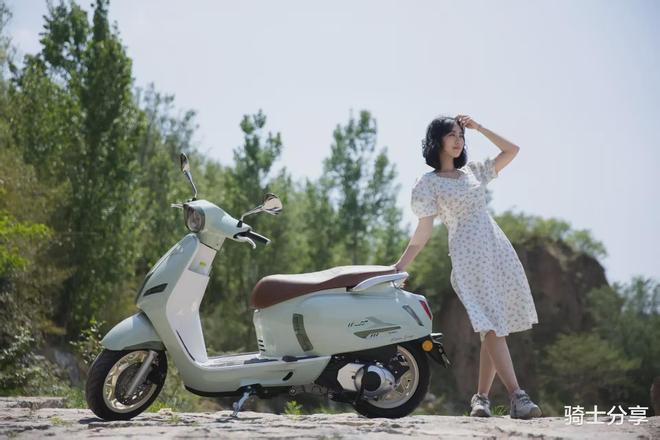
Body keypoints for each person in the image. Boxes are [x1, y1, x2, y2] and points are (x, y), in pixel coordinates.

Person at [392, 114, 542, 419]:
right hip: (467, 256)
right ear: (437, 140)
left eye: (461, 135)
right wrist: (399, 266)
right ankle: (517, 396)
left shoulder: (473, 172)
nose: (458, 140)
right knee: (491, 325)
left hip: (496, 251)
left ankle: (481, 399)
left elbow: (512, 150)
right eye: (452, 135)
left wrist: (480, 128)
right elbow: (424, 231)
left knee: (493, 327)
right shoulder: (428, 183)